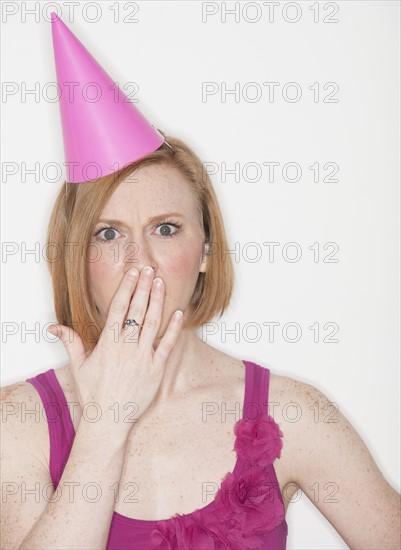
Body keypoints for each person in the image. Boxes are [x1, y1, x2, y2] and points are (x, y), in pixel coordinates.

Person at [1, 14, 400, 550]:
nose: (140, 261)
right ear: (78, 256)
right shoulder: (19, 424)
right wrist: (106, 419)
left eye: (166, 229)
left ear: (206, 250)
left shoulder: (292, 415)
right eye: (108, 233)